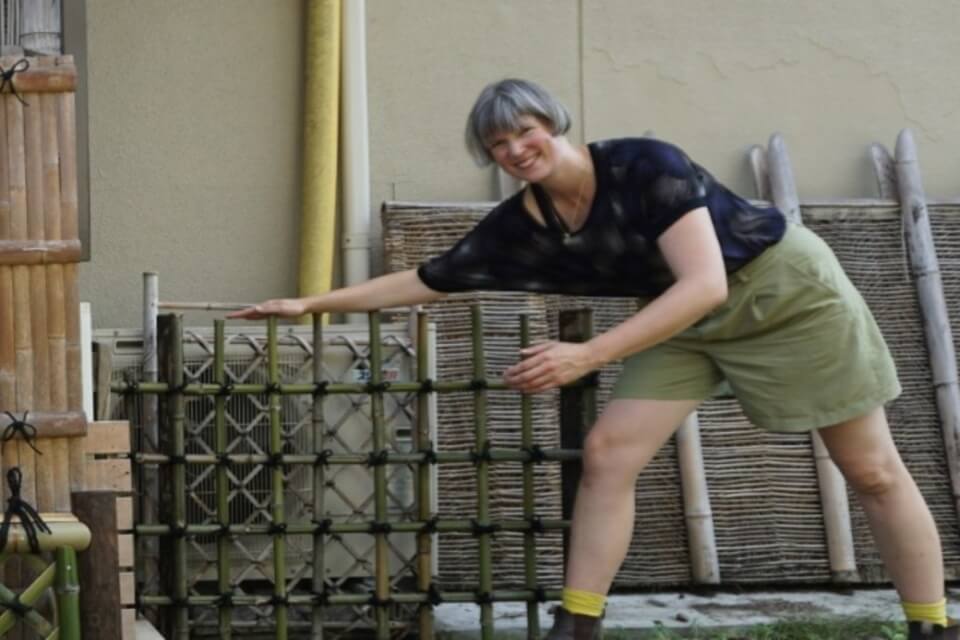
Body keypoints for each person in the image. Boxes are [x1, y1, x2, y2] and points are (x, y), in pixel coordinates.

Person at [230, 78, 955, 640]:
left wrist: (588, 354)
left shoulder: (646, 166)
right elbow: (430, 278)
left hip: (782, 293)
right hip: (683, 318)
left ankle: (928, 620)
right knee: (609, 452)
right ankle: (579, 623)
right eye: (498, 144)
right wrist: (310, 305)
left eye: (526, 130)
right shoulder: (525, 224)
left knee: (871, 469)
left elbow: (704, 281)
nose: (516, 149)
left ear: (553, 124)